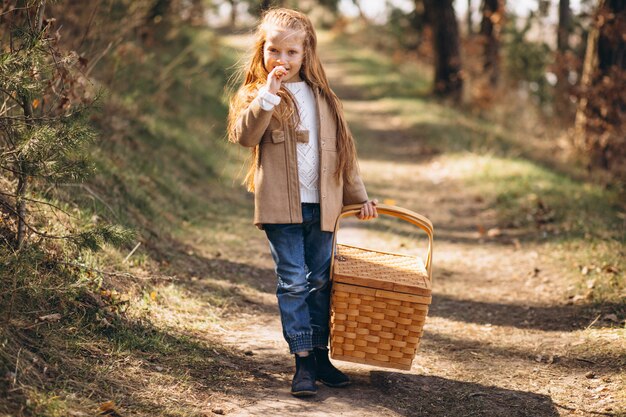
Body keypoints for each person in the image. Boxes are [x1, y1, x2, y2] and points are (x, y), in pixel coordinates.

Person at [227, 7, 378, 397]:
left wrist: (359, 198)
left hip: (322, 207)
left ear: (306, 53)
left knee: (321, 281)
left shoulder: (323, 98)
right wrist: (267, 96)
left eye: (292, 53)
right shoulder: (257, 96)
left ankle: (322, 356)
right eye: (274, 51)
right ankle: (303, 362)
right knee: (293, 282)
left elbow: (344, 155)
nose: (283, 60)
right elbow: (244, 137)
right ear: (263, 51)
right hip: (281, 208)